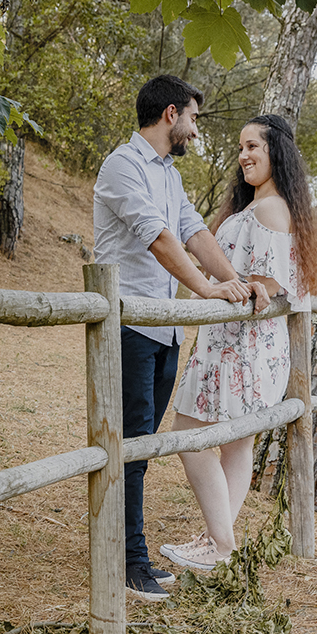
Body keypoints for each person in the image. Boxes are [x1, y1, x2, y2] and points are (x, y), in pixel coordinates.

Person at [94, 75, 269, 603]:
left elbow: (195, 234)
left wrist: (236, 281)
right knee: (129, 447)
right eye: (193, 117)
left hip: (163, 329)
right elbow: (160, 238)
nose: (195, 129)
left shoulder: (168, 174)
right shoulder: (122, 165)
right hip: (127, 327)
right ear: (171, 114)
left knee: (141, 448)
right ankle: (129, 563)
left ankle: (128, 554)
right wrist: (210, 289)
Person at [160, 113, 317, 570]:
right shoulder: (265, 206)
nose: (244, 155)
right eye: (240, 148)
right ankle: (219, 545)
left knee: (188, 436)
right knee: (235, 446)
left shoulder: (270, 209)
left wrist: (231, 284)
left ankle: (221, 544)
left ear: (278, 154)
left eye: (253, 146)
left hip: (238, 349)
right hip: (245, 348)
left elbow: (266, 282)